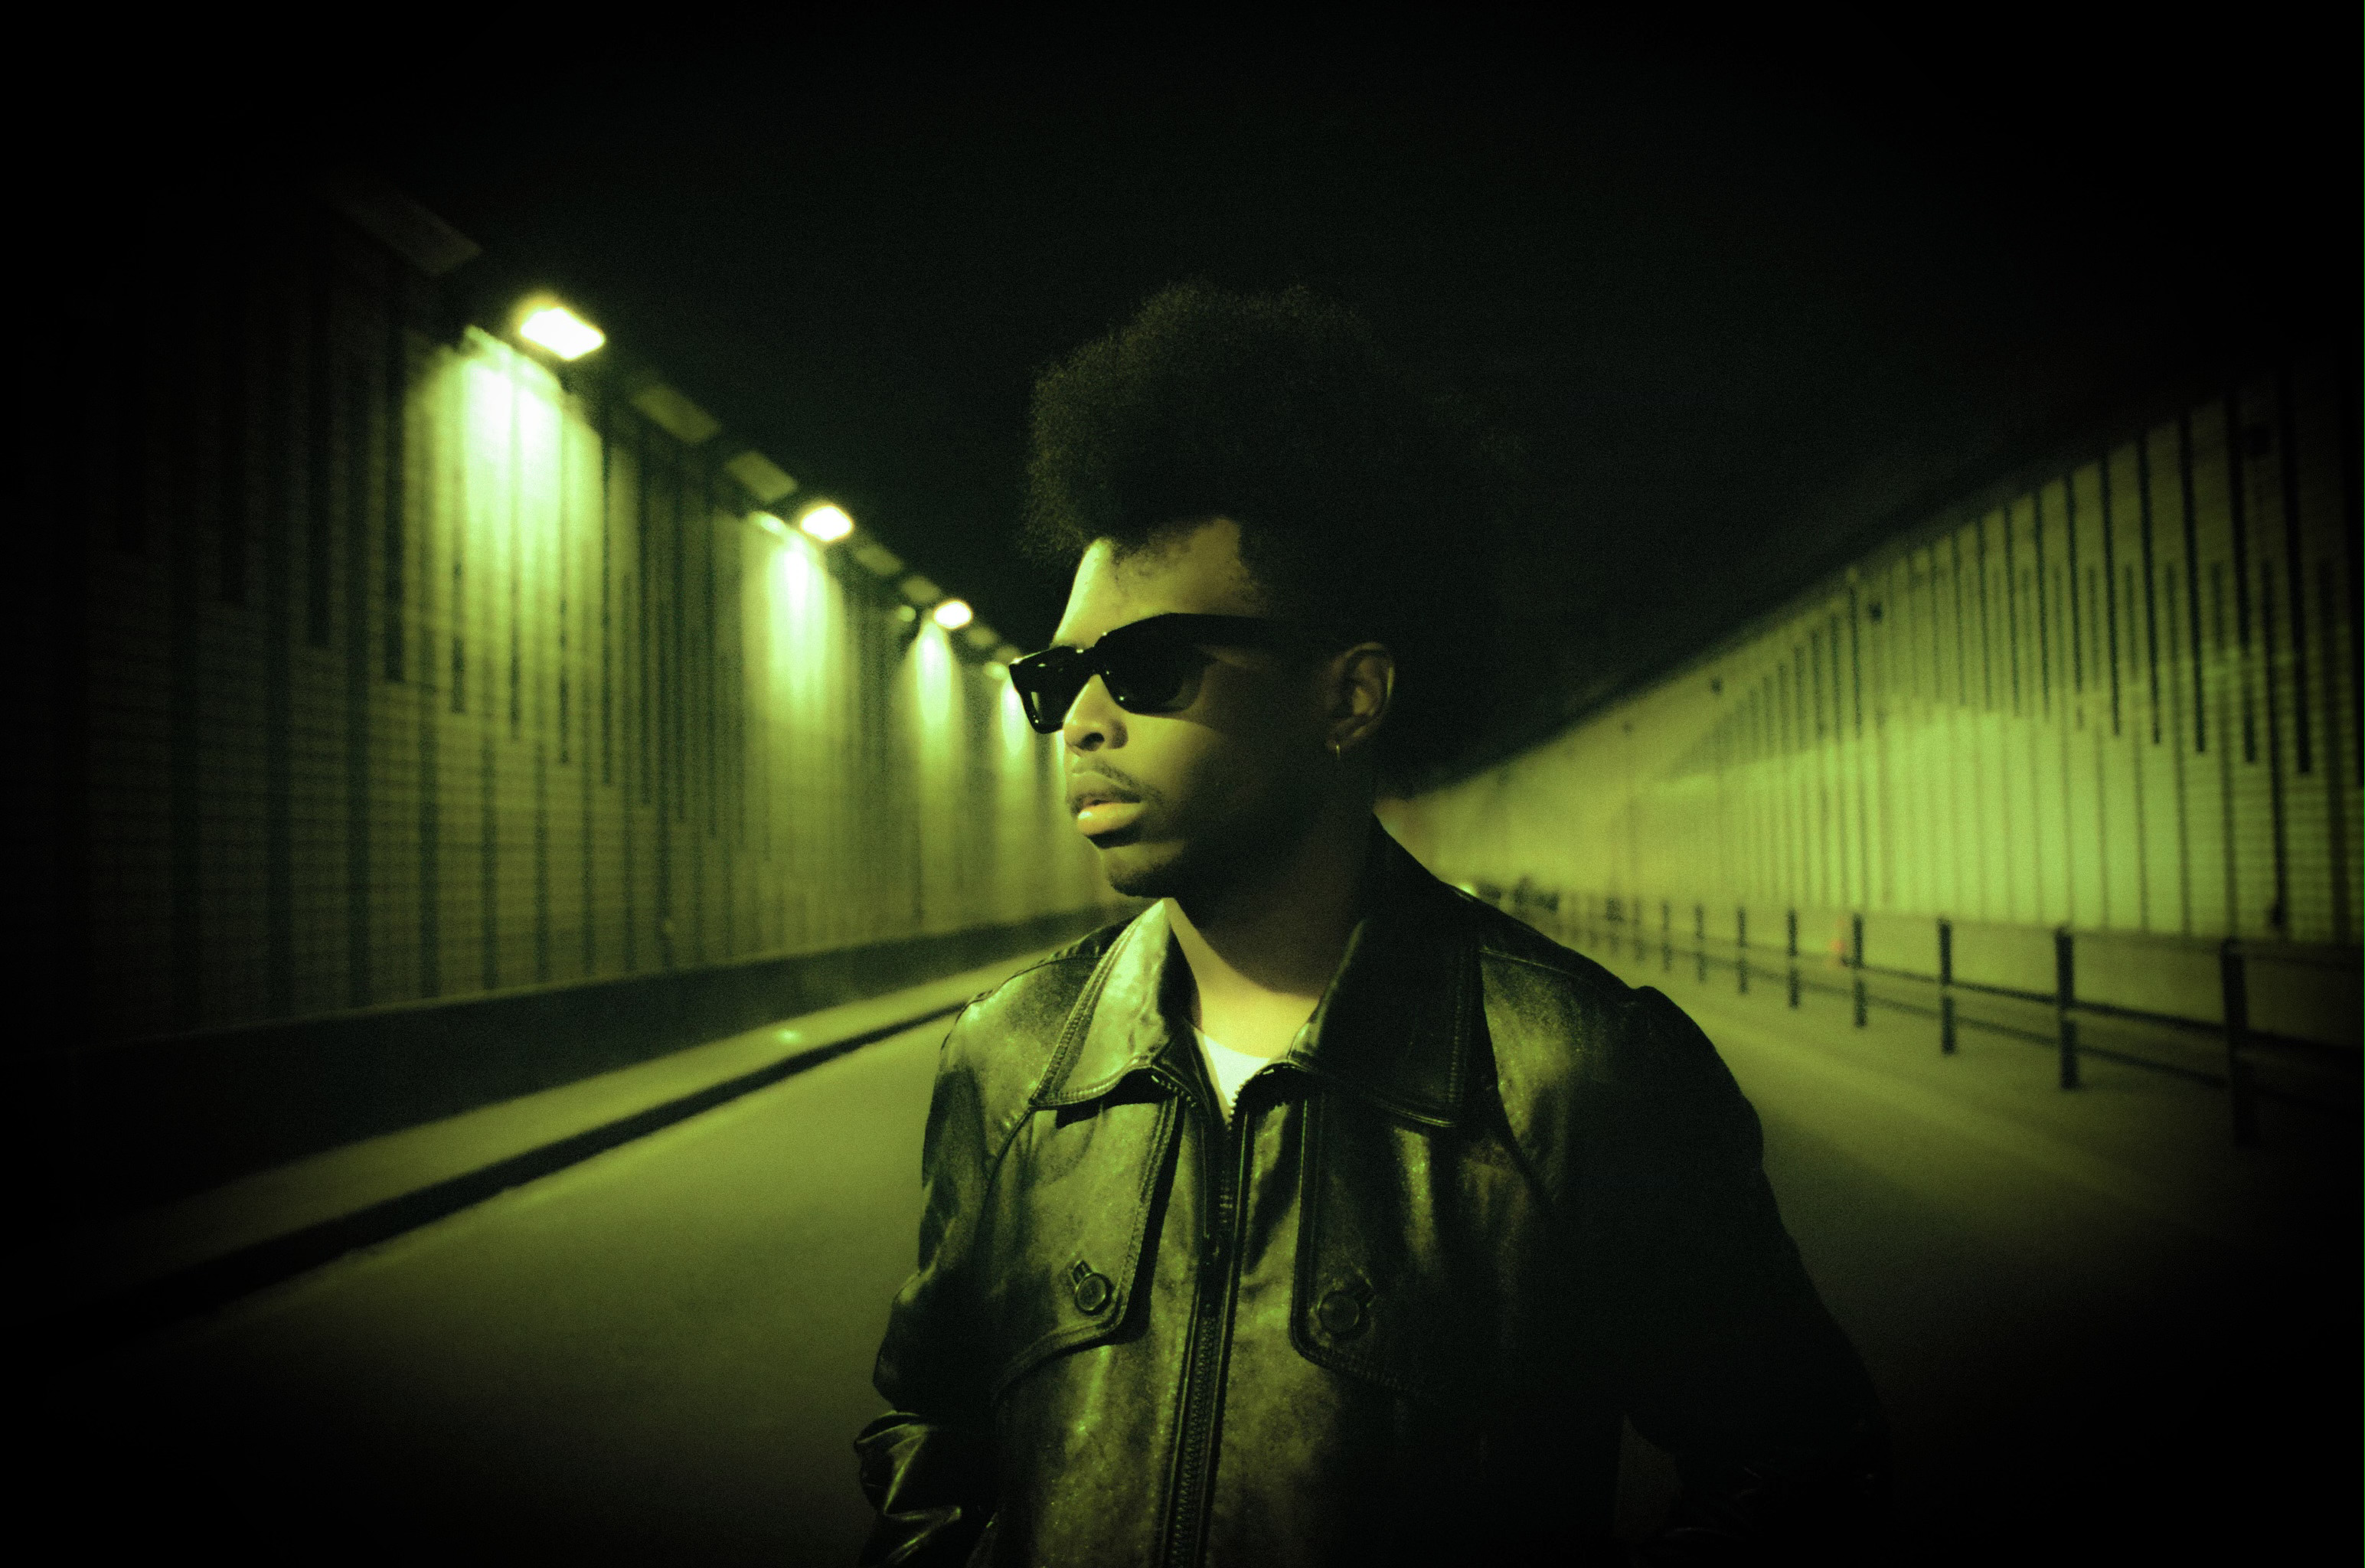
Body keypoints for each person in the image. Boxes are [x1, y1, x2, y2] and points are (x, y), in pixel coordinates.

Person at [854, 286, 1886, 1566]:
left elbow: (1795, 1472)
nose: (1081, 721)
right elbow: (928, 1434)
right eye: (1056, 677)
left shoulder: (1574, 1078)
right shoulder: (1007, 1061)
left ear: (1348, 697)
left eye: (1147, 669)